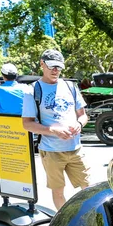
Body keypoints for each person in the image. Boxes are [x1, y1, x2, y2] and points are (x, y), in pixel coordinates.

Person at [22, 49, 90, 211]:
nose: (55, 71)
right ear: (42, 64)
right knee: (58, 192)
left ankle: (88, 222)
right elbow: (27, 124)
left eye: (59, 67)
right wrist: (53, 130)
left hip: (76, 149)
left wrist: (79, 124)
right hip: (51, 151)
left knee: (89, 189)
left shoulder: (70, 86)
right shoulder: (32, 90)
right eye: (52, 67)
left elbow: (83, 115)